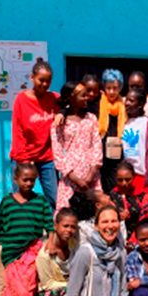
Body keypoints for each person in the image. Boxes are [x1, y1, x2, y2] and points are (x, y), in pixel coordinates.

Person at [0, 163, 54, 296]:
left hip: (31, 254)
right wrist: (6, 250)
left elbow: (49, 226)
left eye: (32, 180)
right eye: (25, 179)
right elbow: (2, 226)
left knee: (27, 295)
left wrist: (50, 246)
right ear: (16, 179)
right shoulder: (6, 203)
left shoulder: (40, 201)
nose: (28, 183)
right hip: (11, 256)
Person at [9, 59, 59, 210]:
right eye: (41, 80)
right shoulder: (21, 100)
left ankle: (53, 230)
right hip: (25, 158)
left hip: (47, 159)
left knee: (55, 198)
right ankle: (21, 231)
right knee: (21, 199)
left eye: (48, 81)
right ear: (32, 77)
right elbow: (18, 132)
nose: (45, 84)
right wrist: (24, 161)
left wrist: (61, 113)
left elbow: (73, 100)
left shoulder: (54, 98)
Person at [51, 81, 103, 211]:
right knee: (68, 214)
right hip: (70, 178)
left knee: (94, 212)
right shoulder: (60, 121)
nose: (87, 98)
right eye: (83, 95)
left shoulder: (91, 118)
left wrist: (91, 174)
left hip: (91, 176)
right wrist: (74, 178)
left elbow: (97, 145)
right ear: (71, 98)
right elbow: (57, 153)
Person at [35, 208, 79, 296]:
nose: (69, 230)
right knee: (63, 295)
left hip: (69, 288)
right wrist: (71, 286)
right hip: (50, 294)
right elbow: (47, 284)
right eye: (65, 226)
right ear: (56, 226)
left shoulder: (73, 245)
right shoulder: (45, 254)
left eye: (73, 227)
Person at [122, 88, 148, 192]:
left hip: (142, 175)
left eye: (131, 100)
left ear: (140, 104)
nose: (127, 103)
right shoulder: (123, 122)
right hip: (127, 176)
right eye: (127, 100)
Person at [99, 69, 127, 192]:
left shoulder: (125, 105)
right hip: (101, 152)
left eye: (115, 88)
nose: (111, 91)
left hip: (118, 152)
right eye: (108, 88)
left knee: (114, 186)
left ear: (120, 88)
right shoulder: (98, 103)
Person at [109, 161, 145, 242]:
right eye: (120, 180)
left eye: (128, 179)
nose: (124, 183)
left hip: (138, 237)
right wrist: (117, 217)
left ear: (134, 177)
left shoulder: (141, 195)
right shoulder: (111, 196)